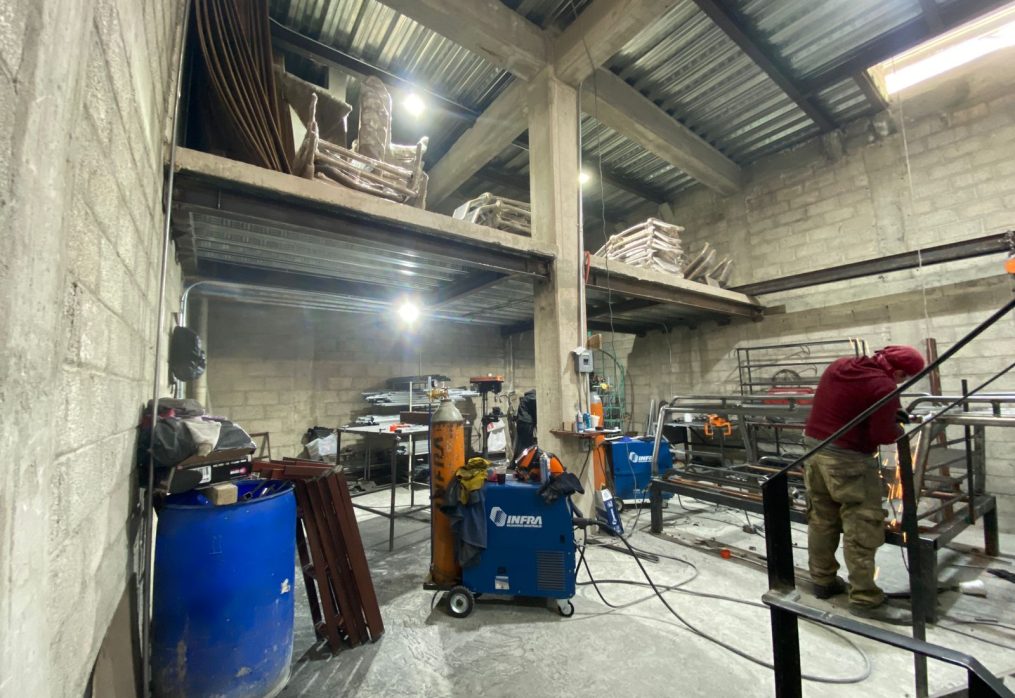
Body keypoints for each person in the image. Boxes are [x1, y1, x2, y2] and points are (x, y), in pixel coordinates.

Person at [803, 345, 925, 624]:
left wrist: (889, 413)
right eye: (904, 377)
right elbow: (882, 434)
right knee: (862, 523)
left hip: (814, 451)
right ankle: (865, 599)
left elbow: (853, 405)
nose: (901, 383)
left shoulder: (840, 365)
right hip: (848, 460)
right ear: (896, 371)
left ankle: (822, 580)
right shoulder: (883, 386)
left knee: (822, 518)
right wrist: (898, 427)